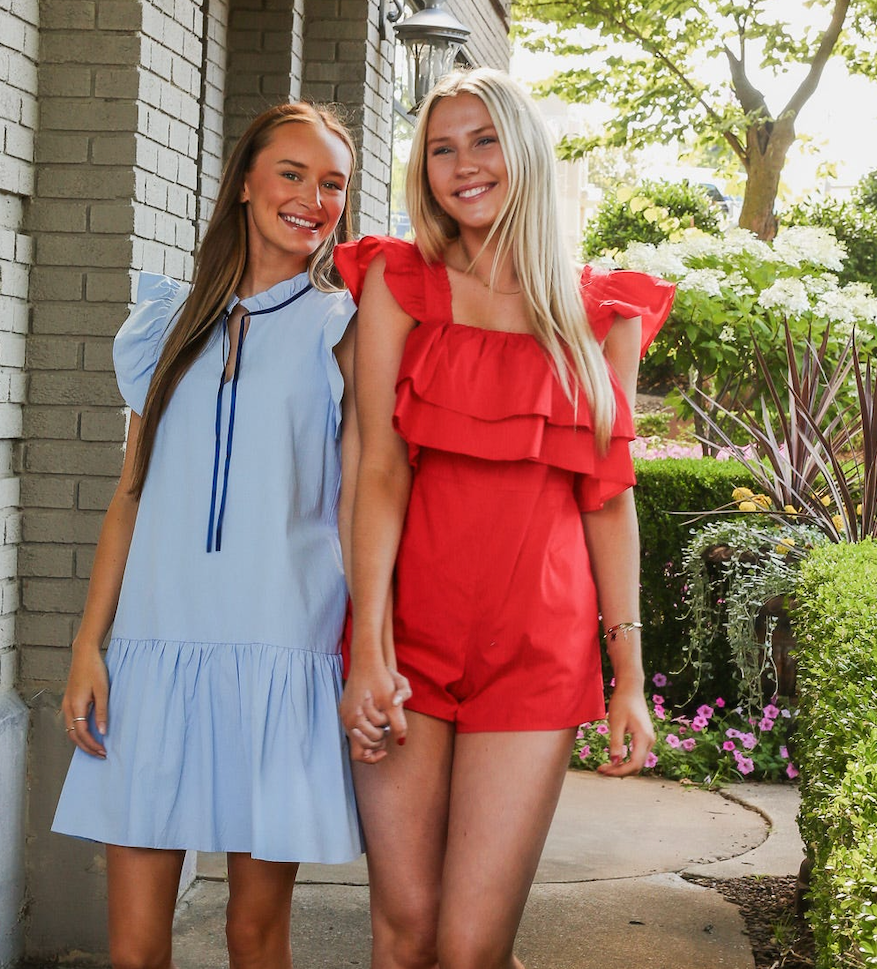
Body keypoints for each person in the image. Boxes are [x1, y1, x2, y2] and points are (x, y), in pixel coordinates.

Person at [335, 68, 675, 969]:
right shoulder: (398, 285)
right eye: (441, 148)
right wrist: (367, 648)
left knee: (472, 947)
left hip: (536, 655)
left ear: (523, 150)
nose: (463, 165)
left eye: (483, 140)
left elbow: (608, 499)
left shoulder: (602, 315)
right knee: (402, 935)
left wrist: (627, 676)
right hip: (411, 641)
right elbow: (375, 469)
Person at [53, 102, 364, 969]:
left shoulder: (344, 329)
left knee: (255, 935)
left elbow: (360, 501)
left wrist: (369, 646)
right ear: (245, 185)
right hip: (156, 654)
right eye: (292, 174)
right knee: (135, 949)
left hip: (282, 651)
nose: (312, 198)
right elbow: (131, 492)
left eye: (332, 182)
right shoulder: (166, 325)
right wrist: (89, 644)